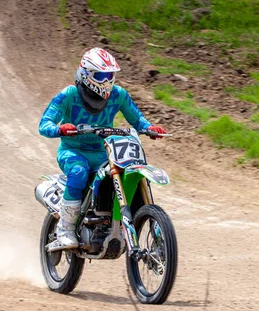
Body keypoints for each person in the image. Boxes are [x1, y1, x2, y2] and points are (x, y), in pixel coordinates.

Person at [38, 47, 166, 250]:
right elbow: (44, 124)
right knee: (79, 172)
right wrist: (60, 129)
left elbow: (137, 119)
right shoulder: (69, 94)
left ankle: (116, 222)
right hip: (73, 151)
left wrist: (149, 128)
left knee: (127, 173)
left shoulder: (118, 95)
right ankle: (65, 230)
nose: (107, 81)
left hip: (104, 152)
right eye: (101, 75)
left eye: (110, 75)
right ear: (86, 74)